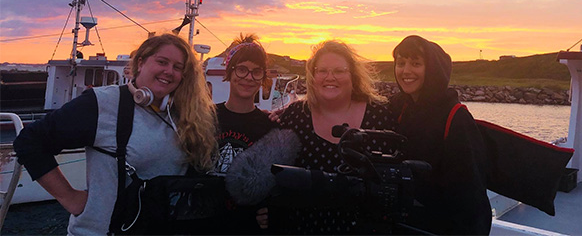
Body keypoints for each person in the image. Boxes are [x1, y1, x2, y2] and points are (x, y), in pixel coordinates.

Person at [13, 33, 218, 235]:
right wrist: (69, 197)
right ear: (140, 63)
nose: (169, 71)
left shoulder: (185, 115)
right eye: (162, 62)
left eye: (178, 67)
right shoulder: (104, 103)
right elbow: (30, 142)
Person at [271, 40, 399, 234]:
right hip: (301, 227)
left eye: (339, 71)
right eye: (322, 71)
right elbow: (274, 170)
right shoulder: (295, 115)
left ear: (353, 76)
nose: (330, 77)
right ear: (313, 76)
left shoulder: (380, 116)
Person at [390, 35, 491, 235]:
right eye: (400, 63)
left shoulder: (456, 118)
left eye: (416, 63)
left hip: (440, 227)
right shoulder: (397, 107)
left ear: (433, 69)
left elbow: (471, 195)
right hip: (402, 223)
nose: (406, 71)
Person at [212, 33, 279, 234]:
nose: (248, 78)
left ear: (262, 78)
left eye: (256, 72)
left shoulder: (271, 127)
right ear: (229, 72)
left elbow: (275, 182)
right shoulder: (205, 118)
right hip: (205, 223)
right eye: (241, 70)